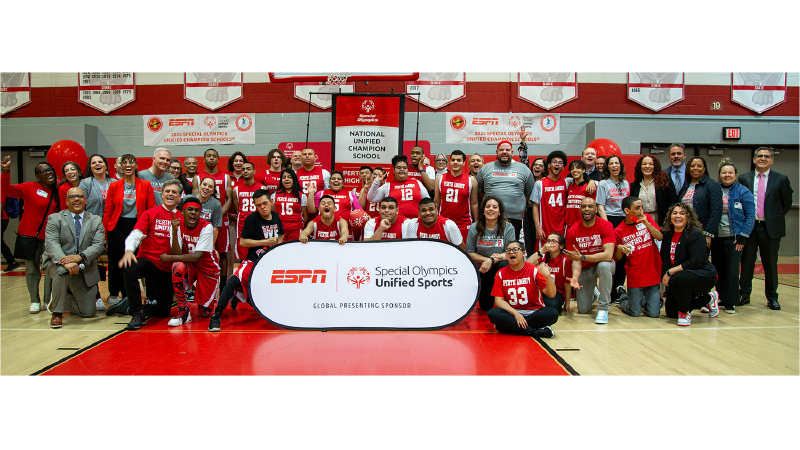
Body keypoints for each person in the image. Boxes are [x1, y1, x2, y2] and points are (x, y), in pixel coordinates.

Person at [117, 180, 183, 330]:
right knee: (130, 268)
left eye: (174, 192)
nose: (170, 194)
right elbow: (136, 234)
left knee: (163, 312)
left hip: (166, 267)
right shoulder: (150, 213)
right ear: (162, 194)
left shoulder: (182, 217)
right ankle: (137, 313)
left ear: (180, 197)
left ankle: (127, 307)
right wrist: (128, 250)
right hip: (148, 260)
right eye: (167, 191)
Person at [1, 156, 60, 313]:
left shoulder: (60, 188)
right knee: (32, 269)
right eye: (43, 171)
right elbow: (7, 190)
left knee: (50, 269)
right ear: (37, 176)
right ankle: (34, 300)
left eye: (50, 169)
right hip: (29, 235)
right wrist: (5, 171)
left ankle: (49, 301)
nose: (48, 172)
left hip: (51, 237)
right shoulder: (29, 187)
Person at [738, 147, 793, 310]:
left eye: (766, 156)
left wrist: (770, 217)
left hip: (771, 229)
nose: (763, 158)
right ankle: (744, 294)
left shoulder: (781, 179)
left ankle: (772, 297)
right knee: (747, 262)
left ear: (772, 160)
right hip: (749, 227)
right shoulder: (744, 178)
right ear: (754, 159)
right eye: (760, 156)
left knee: (770, 263)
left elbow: (786, 203)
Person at [42, 187, 105, 328]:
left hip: (83, 266)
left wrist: (80, 257)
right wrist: (64, 261)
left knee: (88, 312)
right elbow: (51, 244)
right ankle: (57, 313)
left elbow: (99, 245)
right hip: (57, 262)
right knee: (61, 272)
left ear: (85, 200)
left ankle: (60, 301)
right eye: (72, 197)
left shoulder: (95, 220)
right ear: (66, 201)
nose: (76, 199)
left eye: (79, 196)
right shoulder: (55, 218)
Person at [103, 154, 155, 306]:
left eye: (131, 162)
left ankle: (138, 295)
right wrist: (106, 234)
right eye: (124, 162)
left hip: (138, 225)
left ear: (136, 165)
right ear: (120, 166)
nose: (127, 164)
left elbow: (151, 209)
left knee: (139, 261)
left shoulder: (145, 185)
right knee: (117, 262)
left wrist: (148, 231)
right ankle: (118, 295)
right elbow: (108, 211)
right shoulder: (114, 186)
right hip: (117, 226)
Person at [160, 196, 221, 327]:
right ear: (183, 212)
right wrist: (174, 231)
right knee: (177, 266)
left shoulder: (207, 226)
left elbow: (197, 256)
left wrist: (168, 258)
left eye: (196, 210)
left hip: (208, 268)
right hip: (190, 265)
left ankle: (204, 300)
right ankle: (183, 310)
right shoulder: (177, 225)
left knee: (204, 313)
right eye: (189, 210)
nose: (193, 212)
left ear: (200, 213)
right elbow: (177, 254)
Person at [707, 158, 755, 314]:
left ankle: (731, 301)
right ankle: (720, 297)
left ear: (735, 174)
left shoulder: (743, 191)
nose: (727, 175)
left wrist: (743, 236)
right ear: (720, 174)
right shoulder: (715, 189)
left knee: (732, 270)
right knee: (718, 268)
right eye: (724, 172)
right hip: (717, 237)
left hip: (735, 237)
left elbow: (750, 215)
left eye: (730, 173)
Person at [660, 202, 720, 326]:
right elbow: (665, 258)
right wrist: (664, 275)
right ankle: (709, 299)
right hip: (680, 277)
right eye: (675, 213)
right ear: (670, 217)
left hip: (704, 275)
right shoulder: (668, 234)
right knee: (671, 312)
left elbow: (695, 262)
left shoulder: (695, 234)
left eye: (682, 213)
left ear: (688, 217)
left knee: (679, 278)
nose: (678, 216)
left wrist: (670, 272)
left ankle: (684, 313)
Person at [487, 240, 558, 338]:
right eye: (509, 250)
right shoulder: (501, 273)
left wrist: (547, 276)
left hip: (534, 312)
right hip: (512, 312)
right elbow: (498, 300)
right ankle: (535, 332)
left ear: (523, 253)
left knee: (552, 313)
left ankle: (509, 327)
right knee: (493, 313)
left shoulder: (534, 270)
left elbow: (551, 294)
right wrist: (516, 314)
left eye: (515, 249)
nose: (511, 252)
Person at [563, 197, 616, 324]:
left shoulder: (606, 225)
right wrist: (575, 277)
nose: (587, 209)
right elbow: (576, 259)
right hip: (585, 267)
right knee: (583, 309)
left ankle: (603, 308)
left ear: (596, 210)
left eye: (590, 206)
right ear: (580, 210)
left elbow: (608, 255)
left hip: (604, 264)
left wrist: (583, 257)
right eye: (584, 206)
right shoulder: (572, 231)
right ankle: (593, 292)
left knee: (604, 266)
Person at [614, 196, 663, 318]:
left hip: (652, 272)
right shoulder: (618, 230)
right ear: (627, 211)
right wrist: (619, 247)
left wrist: (647, 224)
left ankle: (648, 301)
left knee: (653, 314)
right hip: (635, 276)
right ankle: (623, 295)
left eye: (642, 207)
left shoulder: (648, 219)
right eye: (637, 208)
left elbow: (660, 237)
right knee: (635, 312)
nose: (641, 211)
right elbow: (618, 258)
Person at [476, 140, 535, 240]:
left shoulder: (523, 169)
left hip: (515, 218)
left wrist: (515, 203)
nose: (504, 152)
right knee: (491, 247)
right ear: (496, 152)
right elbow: (479, 192)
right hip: (490, 217)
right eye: (501, 150)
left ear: (512, 152)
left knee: (512, 249)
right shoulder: (486, 168)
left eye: (507, 150)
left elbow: (529, 193)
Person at [79, 153, 116, 310]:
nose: (97, 164)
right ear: (90, 167)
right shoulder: (86, 183)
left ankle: (114, 295)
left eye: (100, 161)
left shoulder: (114, 182)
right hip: (91, 228)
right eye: (93, 163)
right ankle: (95, 296)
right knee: (91, 262)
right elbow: (80, 205)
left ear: (106, 166)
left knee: (114, 261)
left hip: (112, 227)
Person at [466, 196, 515, 311]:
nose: (491, 209)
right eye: (487, 206)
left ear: (499, 212)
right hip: (483, 269)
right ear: (483, 211)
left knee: (504, 264)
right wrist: (486, 261)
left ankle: (507, 297)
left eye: (495, 207)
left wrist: (491, 260)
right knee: (485, 306)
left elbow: (510, 252)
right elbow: (471, 253)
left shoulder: (508, 227)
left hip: (501, 267)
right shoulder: (474, 227)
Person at [194, 148, 234, 289]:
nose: (211, 158)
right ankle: (200, 283)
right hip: (201, 223)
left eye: (214, 156)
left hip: (221, 222)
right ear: (203, 159)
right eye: (208, 156)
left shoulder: (225, 177)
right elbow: (194, 201)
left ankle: (223, 284)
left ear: (218, 159)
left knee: (222, 254)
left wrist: (218, 214)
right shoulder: (198, 178)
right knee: (201, 253)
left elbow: (229, 199)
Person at [595, 154, 631, 303]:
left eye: (617, 163)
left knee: (622, 257)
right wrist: (608, 226)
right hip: (610, 220)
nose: (615, 166)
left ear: (620, 166)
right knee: (611, 257)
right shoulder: (603, 183)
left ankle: (619, 289)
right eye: (611, 163)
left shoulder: (626, 183)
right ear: (607, 167)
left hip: (626, 221)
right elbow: (601, 206)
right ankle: (607, 292)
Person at [677, 156, 722, 249]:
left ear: (704, 169)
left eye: (699, 166)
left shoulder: (712, 185)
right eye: (692, 166)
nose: (695, 168)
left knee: (698, 261)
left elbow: (716, 211)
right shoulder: (686, 185)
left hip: (702, 232)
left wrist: (708, 234)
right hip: (684, 231)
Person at [434, 149, 478, 244]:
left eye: (458, 160)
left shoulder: (471, 180)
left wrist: (476, 222)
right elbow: (436, 201)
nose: (455, 162)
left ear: (463, 163)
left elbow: (474, 203)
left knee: (464, 252)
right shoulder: (440, 179)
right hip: (444, 222)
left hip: (464, 223)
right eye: (453, 160)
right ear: (449, 162)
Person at [367, 155, 430, 219]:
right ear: (394, 170)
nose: (402, 170)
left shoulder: (417, 183)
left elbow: (428, 201)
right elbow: (371, 198)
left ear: (408, 170)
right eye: (399, 168)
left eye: (404, 168)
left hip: (416, 222)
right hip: (396, 224)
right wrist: (376, 182)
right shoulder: (388, 186)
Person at [532, 151, 570, 249]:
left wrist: (591, 181)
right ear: (549, 165)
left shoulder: (567, 182)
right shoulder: (539, 184)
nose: (557, 164)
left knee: (560, 253)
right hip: (544, 227)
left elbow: (583, 180)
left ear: (563, 167)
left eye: (560, 163)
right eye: (554, 162)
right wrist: (537, 227)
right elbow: (535, 206)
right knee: (543, 256)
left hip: (561, 227)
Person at [526, 233, 571, 313]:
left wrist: (567, 302)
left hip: (557, 292)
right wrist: (541, 251)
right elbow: (526, 265)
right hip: (542, 290)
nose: (550, 243)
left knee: (552, 304)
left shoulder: (565, 260)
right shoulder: (543, 256)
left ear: (561, 246)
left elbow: (567, 283)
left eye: (554, 241)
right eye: (548, 241)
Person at [630, 154, 677, 228]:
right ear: (640, 167)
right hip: (641, 222)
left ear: (655, 166)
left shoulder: (665, 180)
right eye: (644, 164)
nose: (647, 166)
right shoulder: (634, 185)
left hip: (662, 221)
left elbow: (672, 202)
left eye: (651, 164)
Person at [233, 162, 266, 260]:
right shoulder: (236, 189)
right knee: (242, 259)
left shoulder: (262, 188)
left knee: (259, 258)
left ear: (254, 171)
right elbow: (237, 207)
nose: (245, 171)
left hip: (258, 226)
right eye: (243, 169)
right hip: (242, 227)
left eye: (248, 169)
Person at [272, 168, 316, 241]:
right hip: (279, 230)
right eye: (284, 177)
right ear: (281, 180)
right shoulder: (275, 194)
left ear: (294, 179)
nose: (286, 179)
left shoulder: (301, 195)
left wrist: (297, 225)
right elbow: (272, 213)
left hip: (295, 230)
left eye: (289, 177)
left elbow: (305, 216)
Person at [241, 189, 285, 261]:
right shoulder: (251, 219)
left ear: (271, 201)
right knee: (237, 273)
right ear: (255, 205)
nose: (262, 207)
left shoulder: (276, 216)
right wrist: (266, 242)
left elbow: (281, 234)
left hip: (273, 257)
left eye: (265, 203)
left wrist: (277, 245)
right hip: (254, 259)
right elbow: (243, 242)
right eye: (258, 205)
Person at [522, 157, 546, 257]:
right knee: (529, 244)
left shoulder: (546, 182)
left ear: (545, 169)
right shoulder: (528, 180)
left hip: (544, 215)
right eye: (535, 164)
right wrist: (523, 144)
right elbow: (524, 161)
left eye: (541, 165)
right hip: (529, 215)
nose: (537, 167)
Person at [564, 160, 597, 231]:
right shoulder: (570, 186)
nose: (575, 170)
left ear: (583, 170)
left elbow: (593, 207)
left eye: (578, 168)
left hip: (584, 224)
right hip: (569, 225)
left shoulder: (589, 187)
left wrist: (592, 181)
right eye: (572, 169)